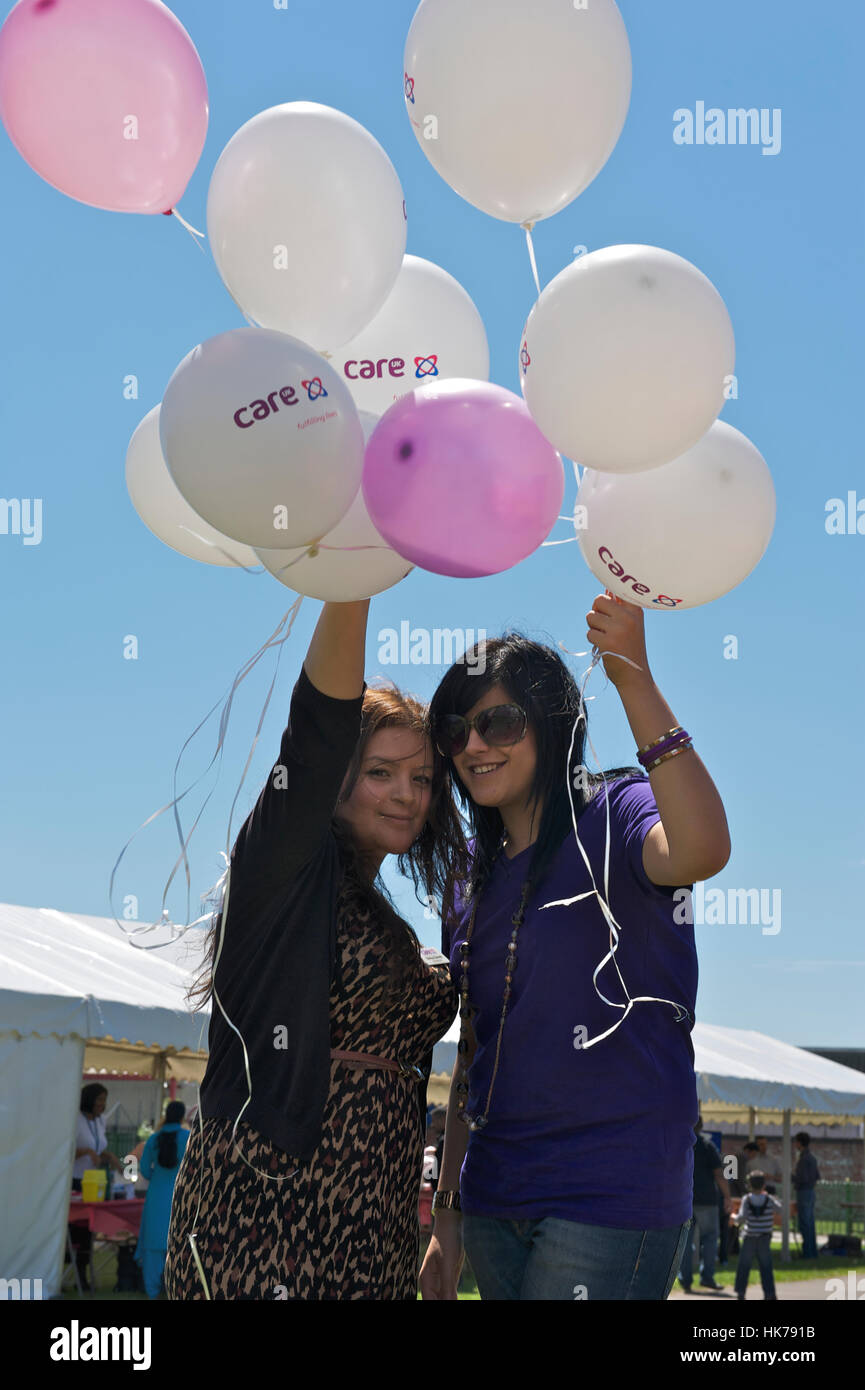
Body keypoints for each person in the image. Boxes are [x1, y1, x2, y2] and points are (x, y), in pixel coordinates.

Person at [420, 592, 731, 1301]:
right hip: (495, 1195)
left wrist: (633, 677)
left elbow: (702, 846)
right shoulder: (467, 875)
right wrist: (446, 1215)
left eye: (497, 722)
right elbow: (474, 1051)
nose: (472, 745)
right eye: (454, 729)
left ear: (553, 726)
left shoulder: (618, 813)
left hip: (610, 1187)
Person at [164, 599, 465, 1300]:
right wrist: (351, 579)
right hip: (264, 1206)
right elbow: (317, 731)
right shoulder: (283, 866)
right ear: (334, 781)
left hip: (376, 1217)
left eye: (421, 779)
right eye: (380, 772)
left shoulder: (385, 911)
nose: (406, 796)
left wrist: (439, 1223)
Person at [69, 1083, 127, 1292]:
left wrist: (108, 1156)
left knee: (88, 1230)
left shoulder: (101, 1121)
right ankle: (77, 1274)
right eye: (99, 1099)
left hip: (94, 1182)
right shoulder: (74, 1119)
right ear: (90, 1099)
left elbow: (98, 1149)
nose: (103, 1104)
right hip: (74, 1181)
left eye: (104, 1099)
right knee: (76, 1230)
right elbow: (65, 1151)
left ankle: (82, 1274)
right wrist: (84, 1152)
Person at [134, 1102, 190, 1298]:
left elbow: (144, 1169)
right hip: (181, 1196)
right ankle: (176, 1286)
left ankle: (151, 1290)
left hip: (155, 1195)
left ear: (166, 1115)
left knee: (153, 1243)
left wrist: (156, 1177)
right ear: (182, 1117)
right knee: (178, 1241)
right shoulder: (189, 1137)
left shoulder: (153, 1139)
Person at [679, 1117, 733, 1292]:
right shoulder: (708, 1146)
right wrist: (728, 1197)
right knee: (710, 1239)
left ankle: (685, 1279)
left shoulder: (680, 1145)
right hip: (707, 1201)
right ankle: (707, 1277)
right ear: (701, 1126)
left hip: (684, 1200)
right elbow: (719, 1174)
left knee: (685, 1241)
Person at [732, 1171, 781, 1300]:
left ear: (749, 1185)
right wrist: (773, 1198)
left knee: (744, 1265)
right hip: (764, 1237)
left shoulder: (746, 1199)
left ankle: (741, 1292)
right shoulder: (769, 1199)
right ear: (764, 1185)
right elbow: (780, 1210)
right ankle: (769, 1293)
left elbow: (742, 1218)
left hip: (749, 1236)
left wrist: (733, 1217)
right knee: (766, 1266)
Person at [792, 1131, 820, 1258]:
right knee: (810, 1223)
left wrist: (792, 1177)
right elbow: (817, 1176)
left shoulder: (803, 1158)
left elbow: (801, 1177)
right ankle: (812, 1251)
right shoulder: (812, 1158)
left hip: (803, 1191)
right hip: (810, 1191)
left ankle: (807, 1252)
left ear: (799, 1142)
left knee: (805, 1224)